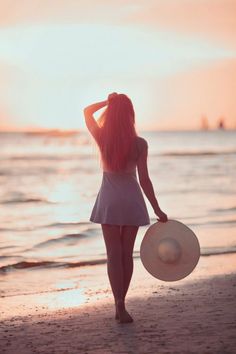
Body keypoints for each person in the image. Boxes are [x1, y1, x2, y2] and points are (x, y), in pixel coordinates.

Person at [83, 92, 168, 324]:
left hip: (109, 201)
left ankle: (118, 304)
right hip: (131, 201)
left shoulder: (103, 138)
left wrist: (106, 102)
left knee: (113, 256)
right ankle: (123, 302)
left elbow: (87, 111)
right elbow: (145, 180)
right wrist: (157, 209)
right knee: (125, 255)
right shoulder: (140, 144)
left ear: (111, 114)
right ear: (130, 115)